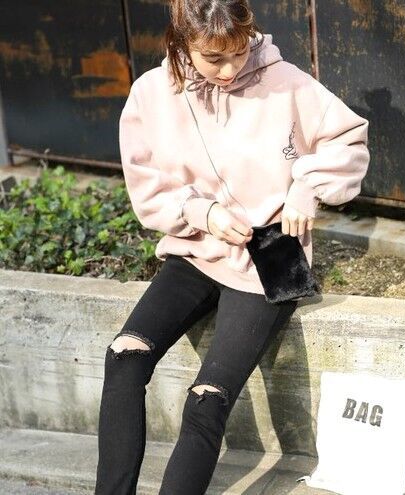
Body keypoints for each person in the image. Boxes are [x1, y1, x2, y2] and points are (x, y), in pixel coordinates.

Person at [95, 1, 370, 493]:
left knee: (207, 398)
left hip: (270, 255)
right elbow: (147, 185)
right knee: (123, 356)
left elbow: (348, 140)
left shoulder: (286, 82)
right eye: (213, 58)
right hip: (195, 247)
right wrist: (202, 213)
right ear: (183, 44)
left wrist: (306, 187)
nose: (228, 70)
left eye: (239, 53)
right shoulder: (151, 95)